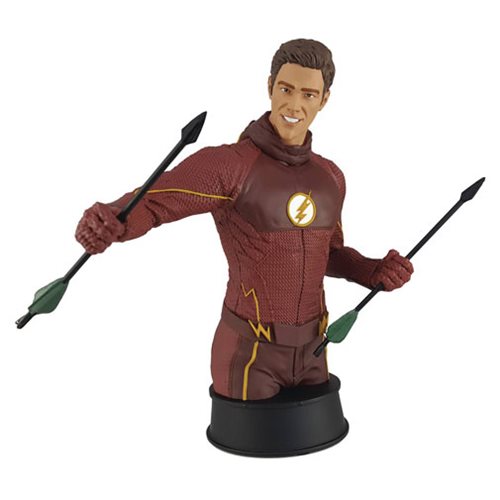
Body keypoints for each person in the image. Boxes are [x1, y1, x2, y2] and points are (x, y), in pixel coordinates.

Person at [75, 39, 413, 401]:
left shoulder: (330, 177)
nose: (294, 105)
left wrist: (371, 271)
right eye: (286, 89)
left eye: (308, 94)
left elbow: (326, 254)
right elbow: (158, 199)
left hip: (315, 350)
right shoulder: (231, 165)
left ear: (324, 99)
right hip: (250, 353)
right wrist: (113, 219)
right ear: (270, 87)